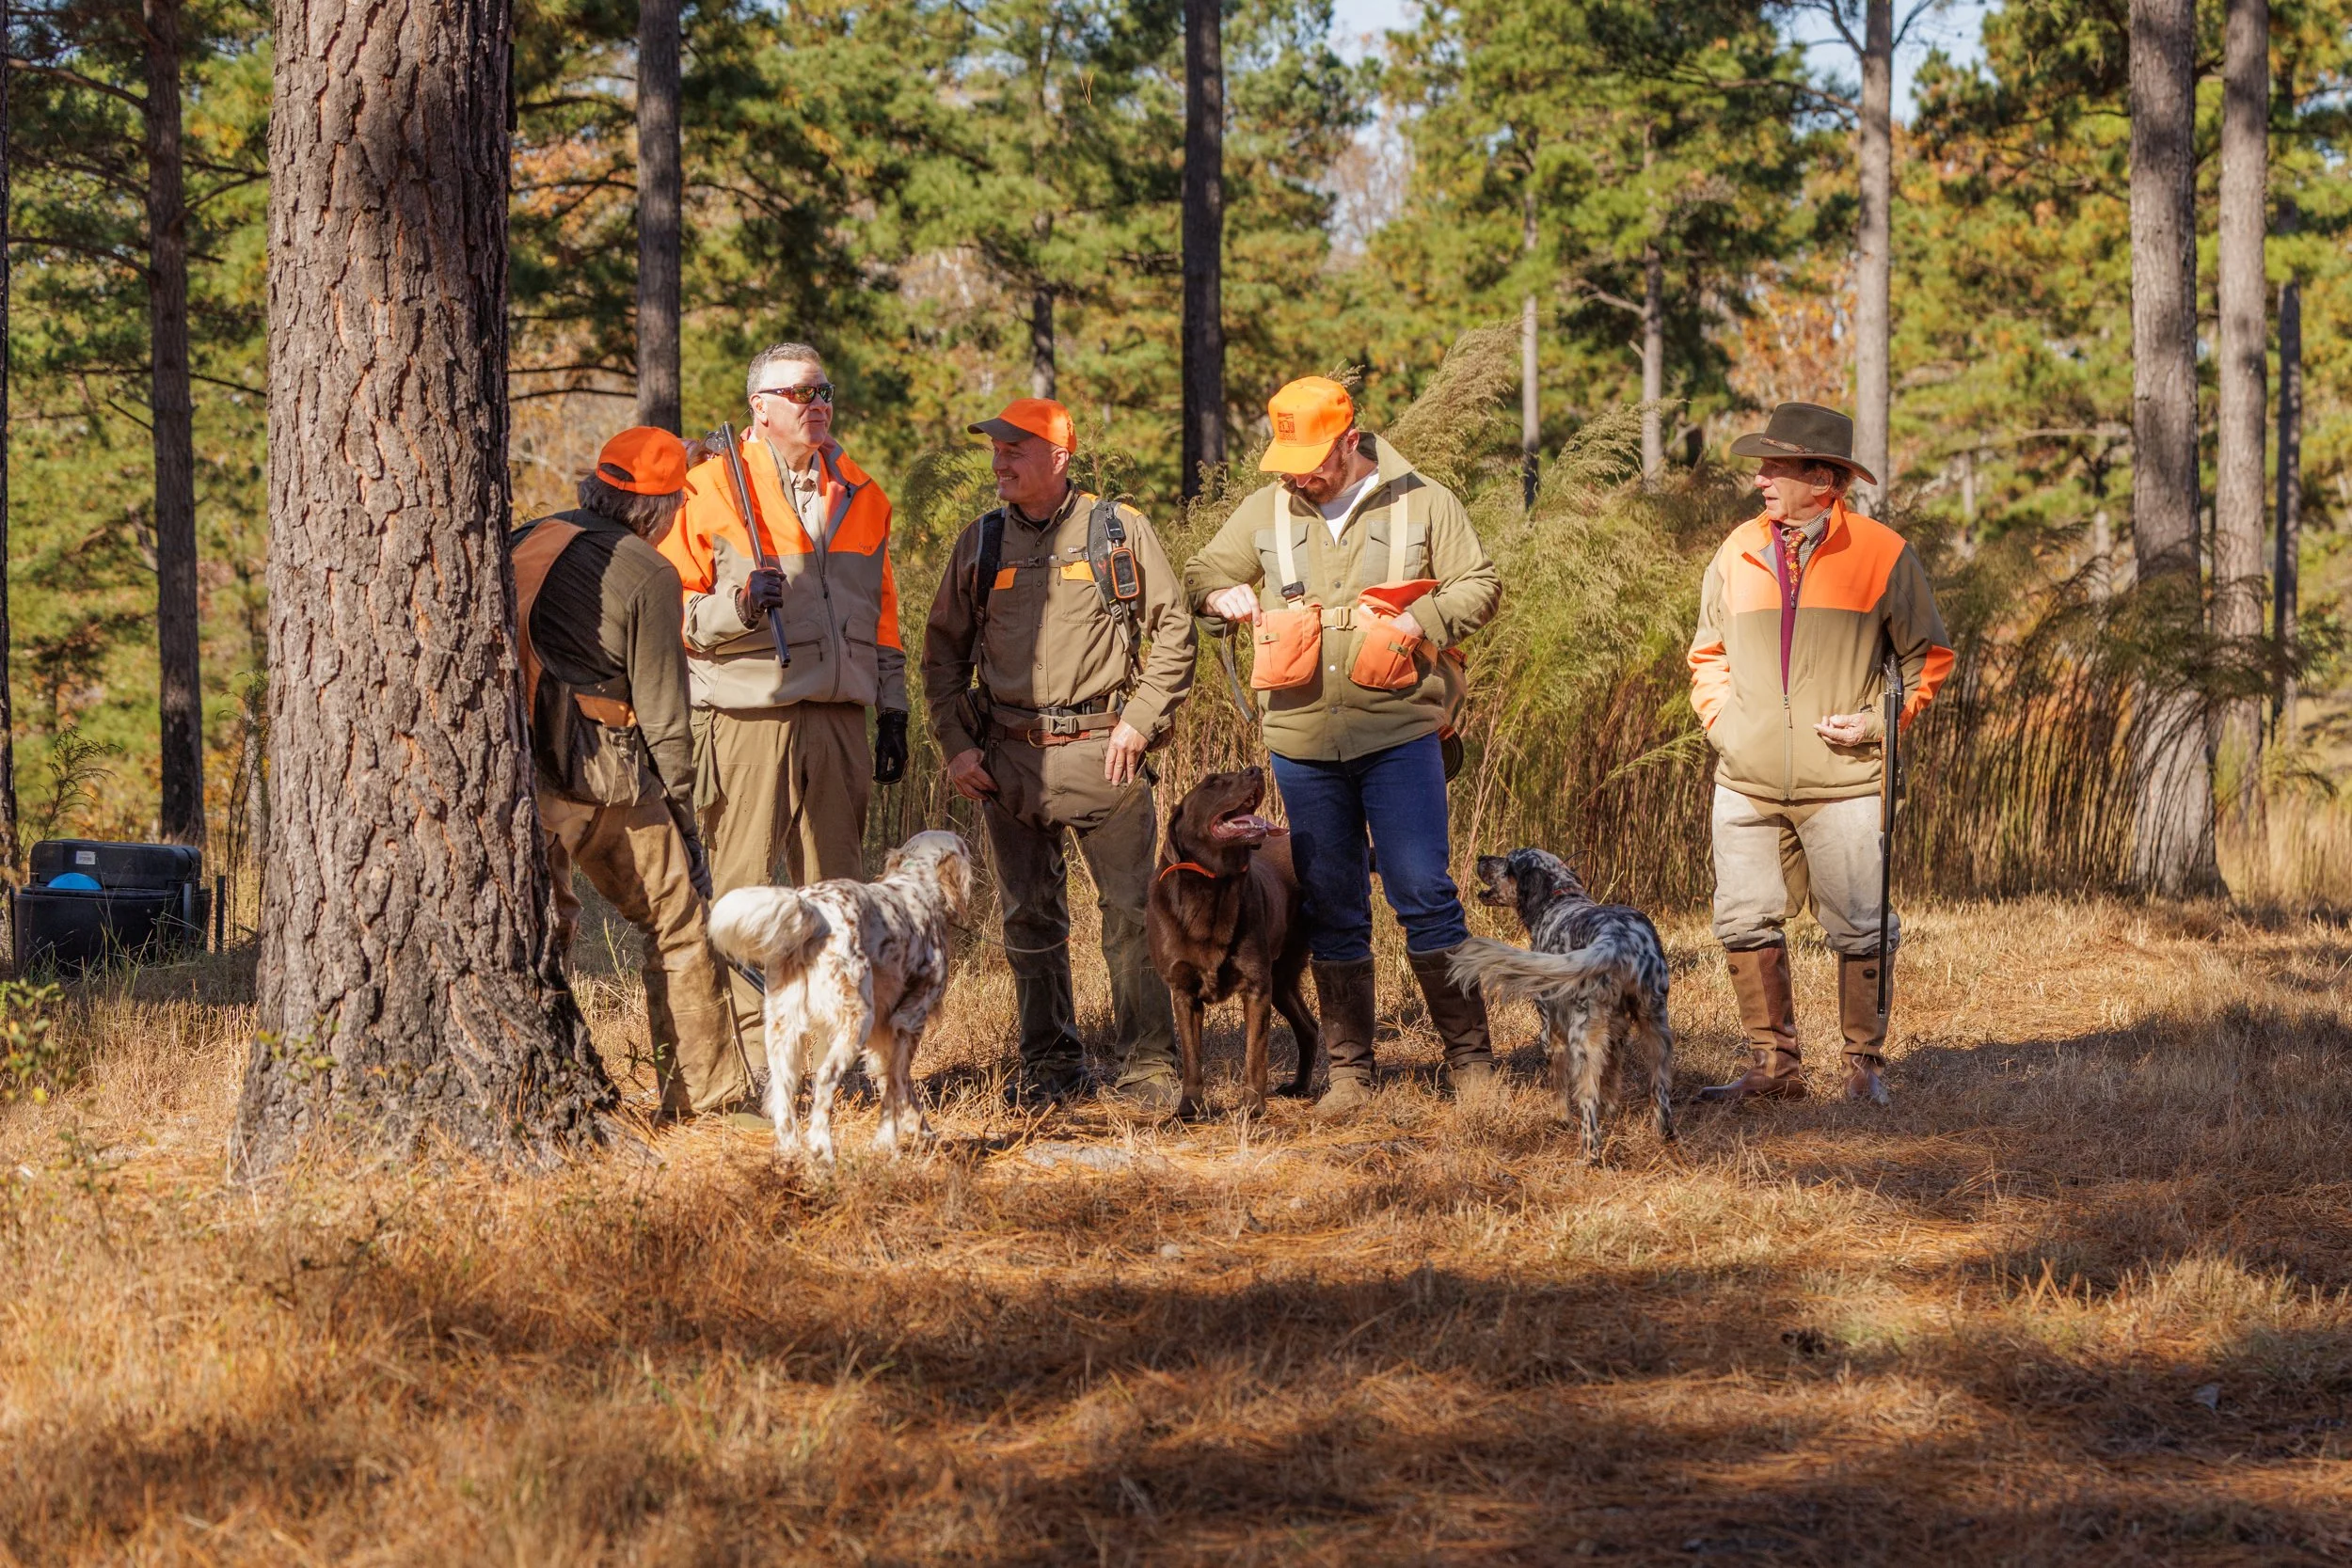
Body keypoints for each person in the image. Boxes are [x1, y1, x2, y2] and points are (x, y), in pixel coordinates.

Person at [1185, 376, 1502, 1118]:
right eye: (1288, 457)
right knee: (1331, 902)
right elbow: (1206, 569)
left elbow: (1480, 584)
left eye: (1311, 456)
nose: (1298, 472)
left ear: (1351, 439)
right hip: (1301, 742)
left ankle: (1473, 1064)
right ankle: (1352, 1074)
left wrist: (1421, 619)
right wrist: (1220, 595)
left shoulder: (1425, 500)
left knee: (1423, 891)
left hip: (1398, 735)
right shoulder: (1267, 510)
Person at [922, 399, 1197, 1110]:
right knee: (1028, 918)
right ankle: (1048, 1065)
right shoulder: (980, 543)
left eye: (1017, 449)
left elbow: (1173, 632)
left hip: (1104, 754)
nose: (1000, 461)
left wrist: (1139, 722)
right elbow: (941, 657)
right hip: (1008, 760)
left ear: (1060, 458)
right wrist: (956, 746)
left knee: (1133, 914)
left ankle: (1149, 1068)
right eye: (997, 449)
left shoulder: (1117, 530)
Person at [1687, 401, 1954, 1106]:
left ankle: (1863, 1066)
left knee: (1862, 924)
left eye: (1777, 466)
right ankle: (1774, 1069)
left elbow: (1929, 658)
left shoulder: (1883, 553)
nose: (1762, 480)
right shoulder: (1735, 549)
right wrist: (1726, 725)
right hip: (1745, 777)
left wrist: (1875, 726)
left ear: (1824, 479)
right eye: (1764, 466)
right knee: (1743, 918)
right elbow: (1705, 654)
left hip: (1844, 780)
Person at [657, 342, 911, 1075]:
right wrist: (736, 607)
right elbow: (672, 601)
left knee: (837, 891)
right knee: (741, 894)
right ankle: (749, 1065)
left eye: (823, 389)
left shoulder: (863, 492)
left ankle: (831, 1054)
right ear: (759, 406)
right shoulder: (707, 489)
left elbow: (882, 610)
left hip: (839, 716)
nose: (817, 402)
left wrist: (891, 707)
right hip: (746, 713)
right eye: (800, 392)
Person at [511, 426, 746, 1117]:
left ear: (596, 483)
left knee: (539, 933)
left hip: (518, 770)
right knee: (681, 923)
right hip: (602, 778)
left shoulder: (533, 533)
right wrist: (683, 813)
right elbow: (666, 716)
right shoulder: (648, 571)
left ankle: (534, 1094)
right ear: (664, 507)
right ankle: (706, 1102)